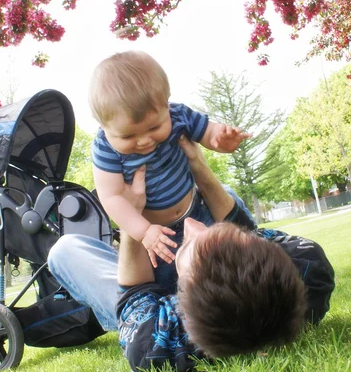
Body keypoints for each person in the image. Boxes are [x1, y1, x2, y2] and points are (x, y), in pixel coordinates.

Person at [48, 137, 335, 372]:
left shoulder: (155, 342)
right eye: (212, 231)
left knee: (64, 251)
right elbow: (248, 232)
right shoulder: (309, 266)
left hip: (149, 300)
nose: (189, 224)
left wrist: (133, 219)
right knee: (226, 193)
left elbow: (134, 298)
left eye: (188, 245)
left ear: (180, 301)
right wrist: (198, 165)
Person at [89, 50, 251, 282]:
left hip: (198, 214)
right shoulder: (105, 148)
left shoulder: (178, 115)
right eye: (128, 136)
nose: (144, 140)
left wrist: (220, 138)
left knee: (228, 266)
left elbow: (207, 130)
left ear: (166, 105)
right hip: (157, 233)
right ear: (103, 126)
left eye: (154, 128)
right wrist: (144, 232)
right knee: (172, 281)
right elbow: (112, 198)